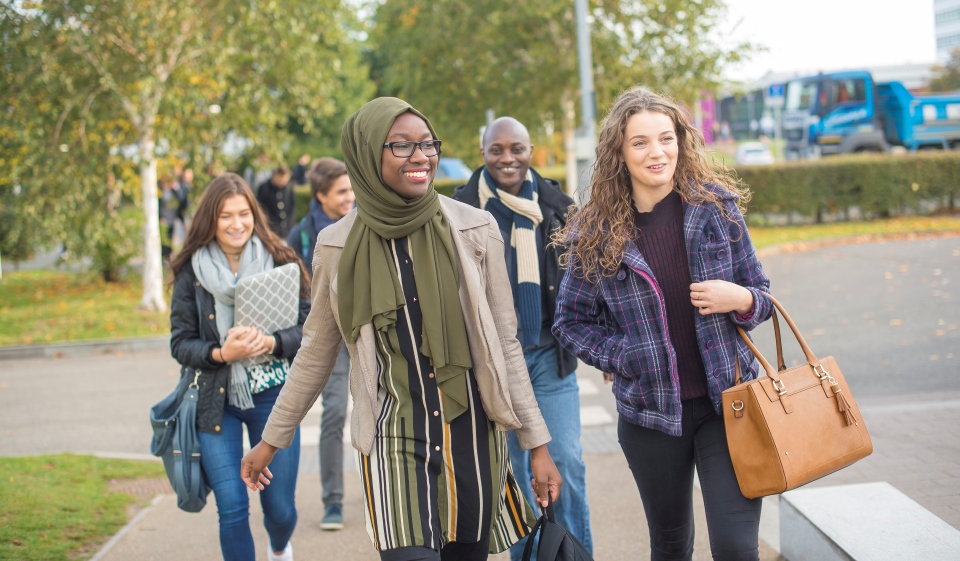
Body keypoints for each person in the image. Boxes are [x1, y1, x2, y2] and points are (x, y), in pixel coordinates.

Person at [241, 97, 563, 561]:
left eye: (427, 144)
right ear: (368, 155)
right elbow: (315, 352)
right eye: (401, 146)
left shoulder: (476, 230)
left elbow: (505, 347)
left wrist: (537, 444)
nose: (421, 157)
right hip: (393, 438)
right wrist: (271, 441)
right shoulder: (337, 246)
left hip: (472, 439)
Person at [552, 87, 774, 561]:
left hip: (728, 405)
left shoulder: (717, 209)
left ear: (681, 141)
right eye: (640, 142)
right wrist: (623, 355)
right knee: (671, 547)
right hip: (650, 416)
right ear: (619, 152)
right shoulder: (593, 233)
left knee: (736, 548)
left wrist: (740, 298)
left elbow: (762, 297)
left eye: (666, 138)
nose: (657, 152)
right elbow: (569, 322)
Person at [452, 117, 592, 560]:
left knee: (564, 463)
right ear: (483, 154)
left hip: (550, 357)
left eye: (517, 149)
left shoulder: (558, 206)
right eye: (497, 150)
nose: (507, 158)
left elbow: (588, 278)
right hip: (491, 364)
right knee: (513, 473)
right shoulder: (460, 211)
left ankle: (574, 555)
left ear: (531, 150)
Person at [169, 173, 311, 561]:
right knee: (231, 508)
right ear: (210, 220)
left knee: (279, 508)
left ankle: (279, 547)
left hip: (273, 398)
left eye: (243, 213)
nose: (236, 224)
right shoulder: (191, 274)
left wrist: (272, 343)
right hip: (216, 402)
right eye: (225, 215)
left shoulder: (281, 258)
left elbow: (309, 327)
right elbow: (180, 343)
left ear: (254, 214)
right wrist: (220, 354)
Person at [286, 157, 355, 531]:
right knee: (333, 415)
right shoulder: (300, 236)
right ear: (320, 196)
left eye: (351, 190)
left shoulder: (366, 222)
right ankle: (333, 501)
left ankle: (389, 491)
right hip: (330, 338)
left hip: (367, 330)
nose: (350, 197)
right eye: (342, 192)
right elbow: (290, 288)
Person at [256, 165, 295, 238]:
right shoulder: (264, 189)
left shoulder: (288, 188)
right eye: (282, 179)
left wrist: (289, 223)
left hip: (286, 229)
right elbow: (260, 208)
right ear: (275, 175)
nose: (284, 182)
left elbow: (292, 206)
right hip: (270, 230)